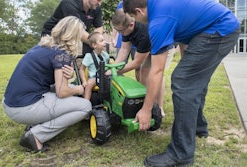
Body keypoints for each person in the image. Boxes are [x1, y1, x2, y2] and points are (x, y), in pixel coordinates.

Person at [123, 0, 240, 166]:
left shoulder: (159, 20)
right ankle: (198, 128)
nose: (136, 23)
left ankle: (181, 154)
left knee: (183, 81)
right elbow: (187, 33)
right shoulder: (162, 5)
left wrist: (146, 109)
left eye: (134, 18)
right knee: (193, 81)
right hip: (217, 27)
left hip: (220, 29)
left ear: (138, 11)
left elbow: (156, 71)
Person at [2, 16, 92, 153]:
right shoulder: (62, 54)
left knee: (72, 89)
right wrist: (79, 89)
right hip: (23, 108)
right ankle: (36, 136)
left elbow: (55, 82)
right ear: (75, 36)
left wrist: (70, 76)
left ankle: (34, 123)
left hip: (12, 103)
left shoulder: (45, 45)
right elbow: (61, 92)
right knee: (85, 106)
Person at [111, 9, 166, 116]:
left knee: (158, 72)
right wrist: (113, 67)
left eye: (121, 31)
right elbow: (124, 49)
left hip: (162, 43)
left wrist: (115, 71)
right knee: (144, 72)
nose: (120, 34)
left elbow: (136, 62)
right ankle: (144, 102)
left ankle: (159, 108)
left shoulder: (143, 32)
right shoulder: (125, 27)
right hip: (147, 45)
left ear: (131, 25)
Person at [79, 32, 110, 100]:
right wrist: (84, 81)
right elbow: (81, 69)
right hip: (94, 78)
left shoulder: (106, 55)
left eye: (104, 40)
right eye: (101, 41)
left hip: (105, 77)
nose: (105, 42)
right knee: (89, 83)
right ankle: (86, 102)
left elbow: (109, 66)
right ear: (94, 45)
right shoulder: (88, 56)